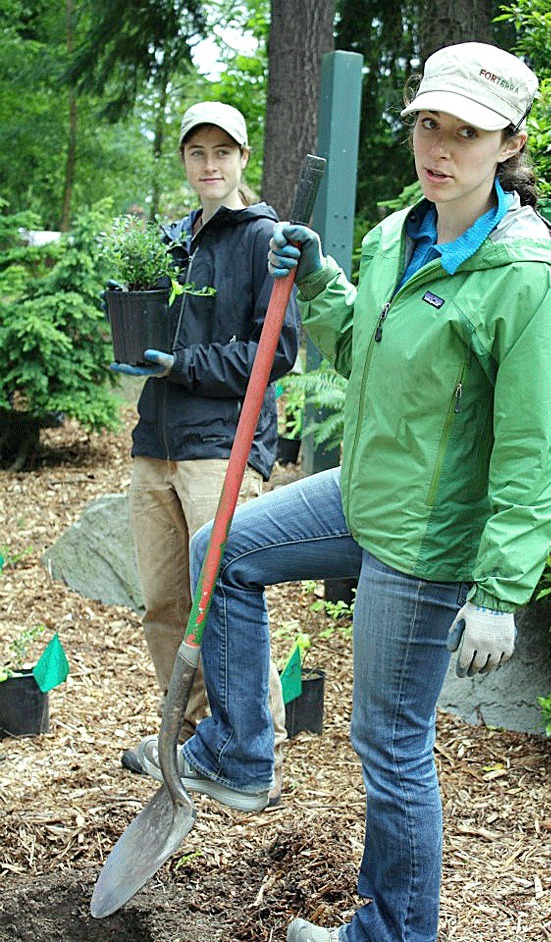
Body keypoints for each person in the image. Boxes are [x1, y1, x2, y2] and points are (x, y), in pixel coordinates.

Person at [135, 43, 551, 939]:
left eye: (467, 132)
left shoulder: (527, 279)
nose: (441, 147)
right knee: (218, 550)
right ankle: (238, 752)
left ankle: (394, 930)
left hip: (430, 539)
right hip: (368, 492)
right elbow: (361, 348)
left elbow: (536, 448)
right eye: (431, 123)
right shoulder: (401, 233)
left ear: (509, 142)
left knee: (390, 749)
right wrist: (317, 279)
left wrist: (501, 593)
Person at [111, 101, 300, 806]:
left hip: (220, 447)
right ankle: (192, 738)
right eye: (198, 153)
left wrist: (180, 364)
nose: (210, 165)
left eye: (224, 152)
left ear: (243, 158)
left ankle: (256, 745)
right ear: (185, 162)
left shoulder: (265, 239)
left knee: (222, 597)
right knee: (164, 601)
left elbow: (274, 352)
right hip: (153, 443)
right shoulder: (170, 242)